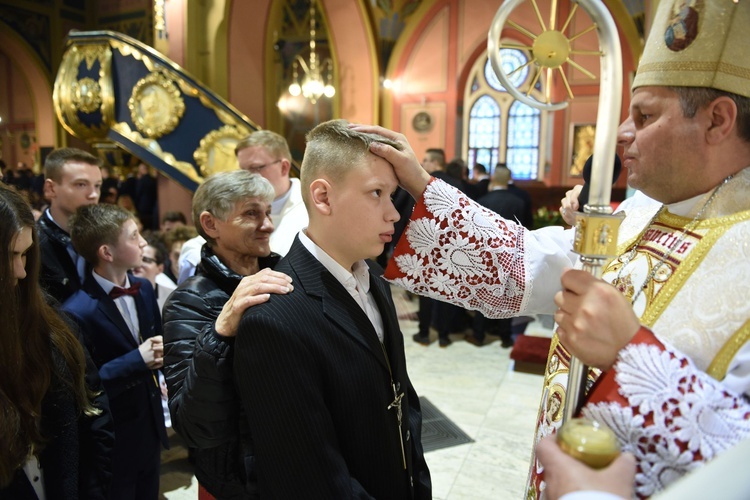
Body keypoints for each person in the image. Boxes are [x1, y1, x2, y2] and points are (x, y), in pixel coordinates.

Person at [351, 2, 750, 495]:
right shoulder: (644, 211)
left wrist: (632, 355)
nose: (623, 133)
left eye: (645, 115)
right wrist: (419, 184)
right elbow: (523, 264)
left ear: (718, 120)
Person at [233, 119, 431, 498]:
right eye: (377, 193)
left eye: (393, 196)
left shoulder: (372, 274)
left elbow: (402, 397)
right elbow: (311, 476)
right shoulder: (274, 319)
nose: (393, 214)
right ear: (323, 197)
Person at [162, 170, 293, 499]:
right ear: (211, 225)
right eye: (251, 213)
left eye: (267, 212)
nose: (268, 225)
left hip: (293, 463)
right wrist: (222, 331)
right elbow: (194, 425)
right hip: (237, 481)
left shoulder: (285, 275)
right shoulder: (189, 301)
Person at [0, 184, 114, 499]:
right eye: (10, 256)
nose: (21, 272)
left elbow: (91, 414)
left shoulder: (46, 319)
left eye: (25, 254)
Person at [63, 204, 168, 500]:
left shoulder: (144, 289)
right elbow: (81, 384)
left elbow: (154, 340)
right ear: (107, 253)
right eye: (134, 236)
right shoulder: (77, 311)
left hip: (149, 423)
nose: (144, 242)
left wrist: (160, 370)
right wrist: (137, 360)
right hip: (114, 433)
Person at [177, 130, 309, 283]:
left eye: (255, 168)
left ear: (284, 167)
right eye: (242, 170)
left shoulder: (311, 206)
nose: (247, 177)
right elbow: (204, 242)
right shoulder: (232, 205)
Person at [467, 165, 529, 347]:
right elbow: (526, 230)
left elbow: (476, 229)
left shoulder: (483, 200)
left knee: (483, 293)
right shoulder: (519, 202)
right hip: (512, 254)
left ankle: (479, 335)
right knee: (509, 295)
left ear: (494, 179)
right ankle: (505, 336)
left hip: (487, 255)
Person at [38, 147, 103, 303]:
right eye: (81, 184)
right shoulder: (32, 243)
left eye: (97, 186)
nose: (93, 195)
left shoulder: (103, 236)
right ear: (51, 189)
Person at [132, 234, 177, 312]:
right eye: (136, 258)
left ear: (160, 268)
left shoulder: (172, 297)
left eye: (146, 260)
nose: (138, 264)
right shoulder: (121, 291)